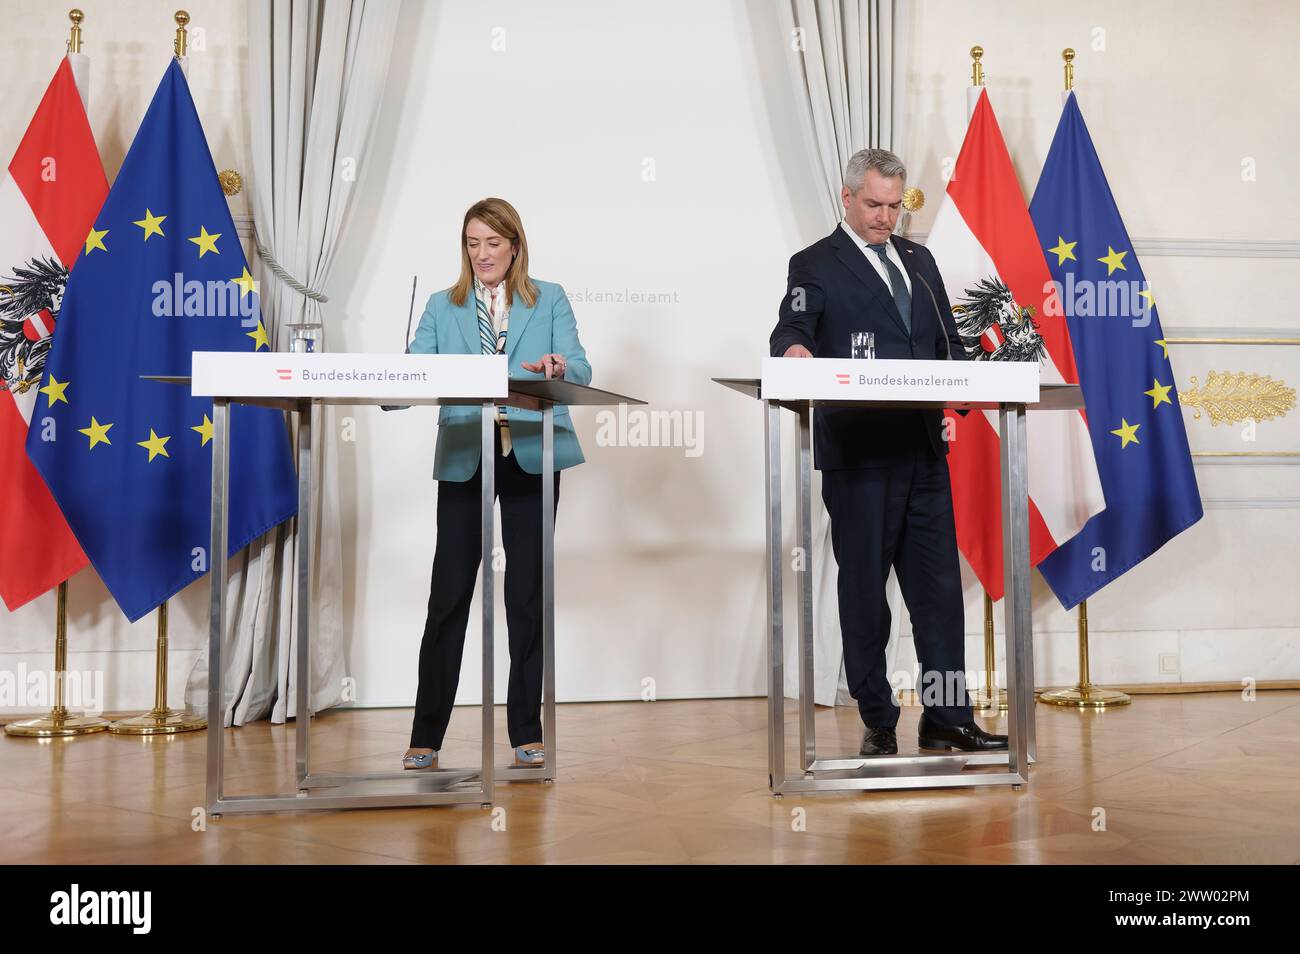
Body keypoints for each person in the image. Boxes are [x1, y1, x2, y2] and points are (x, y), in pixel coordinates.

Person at [768, 148, 1007, 756]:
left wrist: (980, 376)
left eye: (895, 206)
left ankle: (947, 716)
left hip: (923, 451)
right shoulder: (814, 263)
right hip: (859, 456)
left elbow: (947, 342)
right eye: (873, 204)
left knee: (938, 593)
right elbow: (791, 328)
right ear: (846, 198)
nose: (884, 217)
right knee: (864, 594)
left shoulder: (920, 261)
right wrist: (795, 351)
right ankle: (877, 720)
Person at [402, 197, 591, 769]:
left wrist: (557, 368)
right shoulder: (443, 305)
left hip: (531, 455)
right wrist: (405, 368)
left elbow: (581, 369)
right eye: (472, 243)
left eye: (492, 243)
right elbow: (414, 371)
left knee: (525, 596)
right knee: (450, 592)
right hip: (467, 453)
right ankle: (425, 736)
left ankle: (526, 732)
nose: (482, 254)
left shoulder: (548, 297)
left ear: (514, 246)